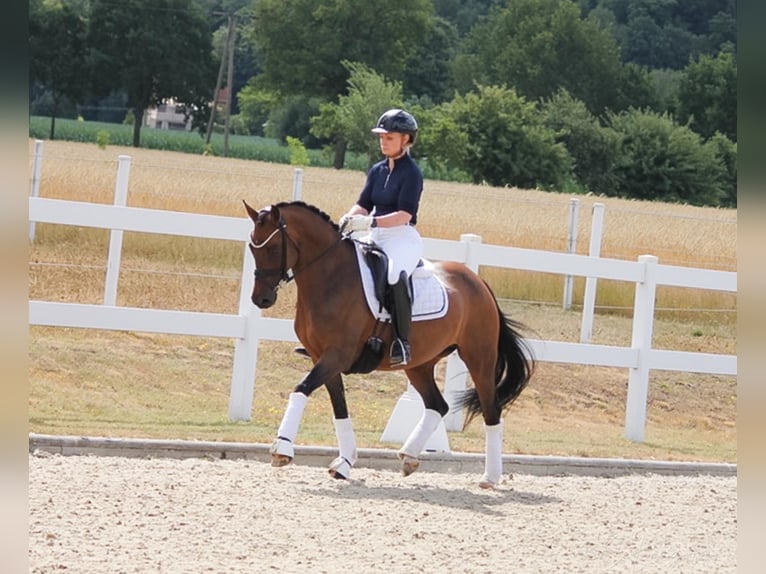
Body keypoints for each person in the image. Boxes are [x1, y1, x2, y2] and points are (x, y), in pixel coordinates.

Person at [339, 108, 424, 367]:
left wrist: (370, 221)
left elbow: (404, 215)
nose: (383, 141)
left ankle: (402, 342)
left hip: (401, 237)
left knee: (394, 275)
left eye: (389, 137)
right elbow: (363, 203)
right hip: (375, 234)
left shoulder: (412, 173)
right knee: (344, 264)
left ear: (406, 139)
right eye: (382, 137)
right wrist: (348, 217)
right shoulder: (376, 170)